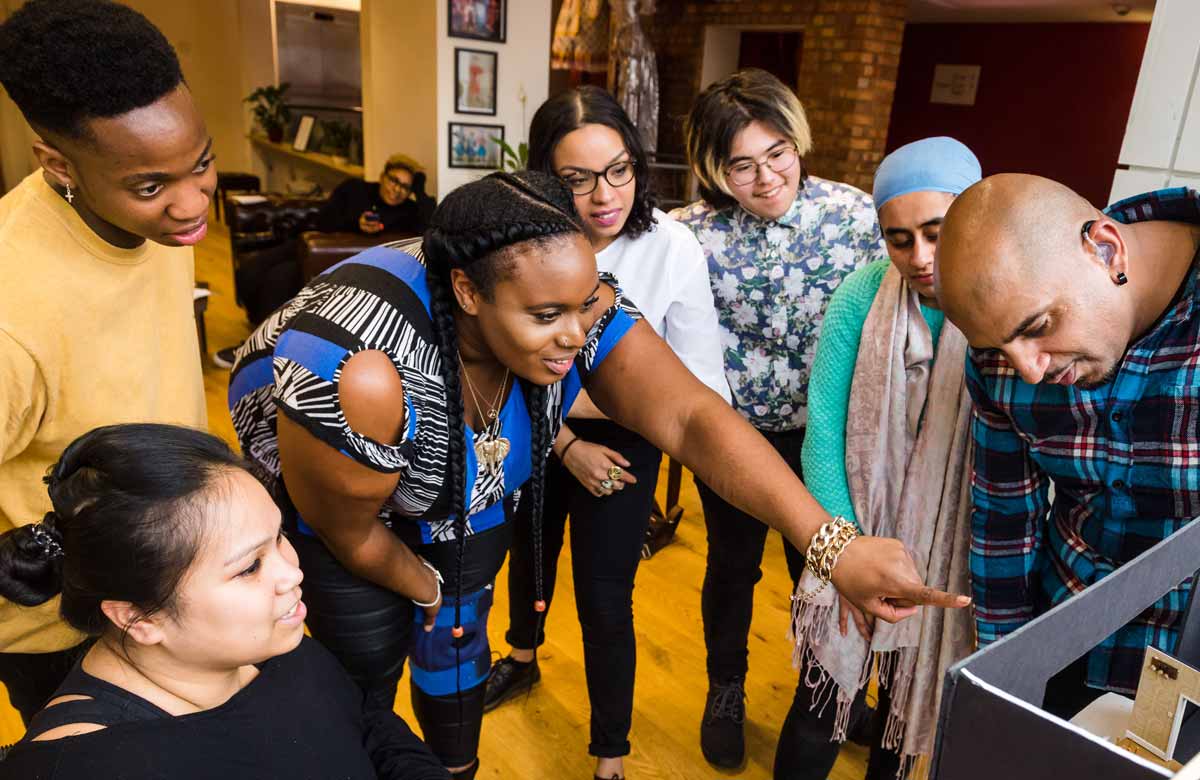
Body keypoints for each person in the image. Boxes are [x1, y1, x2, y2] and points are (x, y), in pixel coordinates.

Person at [228, 169, 967, 777]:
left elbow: (690, 418)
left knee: (457, 654)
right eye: (549, 315)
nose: (578, 335)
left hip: (468, 482)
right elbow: (349, 532)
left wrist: (832, 545)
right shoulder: (363, 372)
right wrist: (430, 586)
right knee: (361, 678)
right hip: (341, 510)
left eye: (586, 305)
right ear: (467, 293)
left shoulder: (571, 303)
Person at [481, 87, 730, 780]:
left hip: (627, 441)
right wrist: (564, 438)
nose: (604, 195)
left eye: (619, 169)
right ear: (544, 178)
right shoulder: (520, 241)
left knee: (603, 595)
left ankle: (610, 754)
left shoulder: (671, 247)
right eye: (578, 179)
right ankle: (523, 658)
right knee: (528, 559)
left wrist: (596, 419)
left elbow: (695, 381)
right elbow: (500, 366)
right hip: (532, 431)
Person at [0, 423, 449, 780]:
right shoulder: (87, 765)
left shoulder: (260, 642)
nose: (291, 573)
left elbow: (364, 724)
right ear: (139, 616)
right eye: (249, 567)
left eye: (279, 537)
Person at [670, 68, 890, 769]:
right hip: (733, 434)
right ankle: (725, 690)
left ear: (797, 142)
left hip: (829, 431)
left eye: (777, 153)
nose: (766, 177)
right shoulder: (690, 235)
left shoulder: (855, 217)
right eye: (742, 164)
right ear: (715, 168)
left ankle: (835, 689)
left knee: (826, 573)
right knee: (733, 566)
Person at [0, 0, 209, 724]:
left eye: (202, 164)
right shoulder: (11, 310)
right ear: (58, 164)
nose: (191, 205)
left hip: (177, 580)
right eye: (152, 185)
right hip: (68, 631)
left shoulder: (163, 227)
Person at [935, 175, 1200, 717]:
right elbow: (1005, 518)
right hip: (1066, 643)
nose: (1028, 370)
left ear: (1106, 249)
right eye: (999, 347)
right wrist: (1004, 674)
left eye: (1038, 327)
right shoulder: (1000, 361)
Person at [792, 137, 982, 779]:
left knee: (905, 713)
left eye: (936, 232)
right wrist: (847, 552)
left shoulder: (999, 297)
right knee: (820, 707)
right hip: (852, 536)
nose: (920, 257)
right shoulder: (857, 298)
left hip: (947, 549)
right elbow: (823, 433)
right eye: (899, 239)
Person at [213, 154, 435, 366]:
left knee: (277, 279)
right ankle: (256, 333)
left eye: (405, 187)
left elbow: (429, 227)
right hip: (309, 243)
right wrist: (355, 222)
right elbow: (325, 219)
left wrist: (420, 189)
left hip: (328, 262)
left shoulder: (409, 212)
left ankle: (255, 350)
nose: (396, 190)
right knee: (252, 269)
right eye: (394, 180)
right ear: (382, 176)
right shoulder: (354, 189)